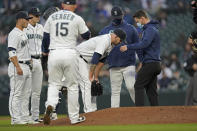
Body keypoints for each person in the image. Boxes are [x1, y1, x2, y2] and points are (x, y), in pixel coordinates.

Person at [42, 0, 90, 125]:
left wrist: (45, 51)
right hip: (69, 52)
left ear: (62, 5)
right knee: (72, 86)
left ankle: (51, 106)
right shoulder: (77, 17)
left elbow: (46, 37)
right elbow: (86, 35)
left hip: (54, 53)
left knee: (53, 84)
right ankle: (74, 118)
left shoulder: (52, 17)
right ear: (75, 6)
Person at [99, 6, 143, 108]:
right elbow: (100, 49)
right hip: (113, 65)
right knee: (115, 91)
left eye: (118, 16)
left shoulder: (131, 28)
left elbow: (138, 46)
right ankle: (114, 115)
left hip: (128, 64)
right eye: (115, 16)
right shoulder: (105, 30)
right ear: (112, 16)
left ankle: (140, 108)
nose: (117, 18)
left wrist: (142, 60)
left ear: (123, 15)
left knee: (131, 87)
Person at [76, 28, 127, 111]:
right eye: (120, 40)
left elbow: (101, 61)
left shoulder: (111, 45)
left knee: (93, 84)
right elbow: (96, 57)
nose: (120, 43)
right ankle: (88, 111)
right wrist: (90, 76)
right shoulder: (105, 40)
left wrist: (95, 78)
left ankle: (93, 109)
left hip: (86, 61)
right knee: (88, 84)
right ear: (116, 37)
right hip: (77, 57)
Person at [120, 10, 161, 106]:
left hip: (151, 63)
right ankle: (156, 113)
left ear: (142, 18)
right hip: (155, 64)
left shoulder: (150, 29)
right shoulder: (151, 29)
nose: (137, 23)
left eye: (137, 21)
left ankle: (140, 112)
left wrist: (128, 47)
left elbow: (144, 44)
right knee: (151, 90)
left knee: (138, 85)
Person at [7, 11, 33, 125]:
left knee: (26, 94)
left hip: (26, 65)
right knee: (16, 93)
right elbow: (11, 51)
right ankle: (15, 119)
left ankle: (25, 117)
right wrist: (17, 66)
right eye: (26, 19)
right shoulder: (14, 33)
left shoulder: (23, 32)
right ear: (20, 20)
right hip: (17, 65)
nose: (28, 21)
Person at [24, 7, 43, 123]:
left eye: (39, 15)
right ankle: (25, 116)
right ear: (30, 15)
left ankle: (35, 116)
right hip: (28, 60)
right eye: (36, 15)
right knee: (26, 91)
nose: (38, 17)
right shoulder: (25, 28)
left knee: (37, 91)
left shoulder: (41, 27)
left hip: (39, 60)